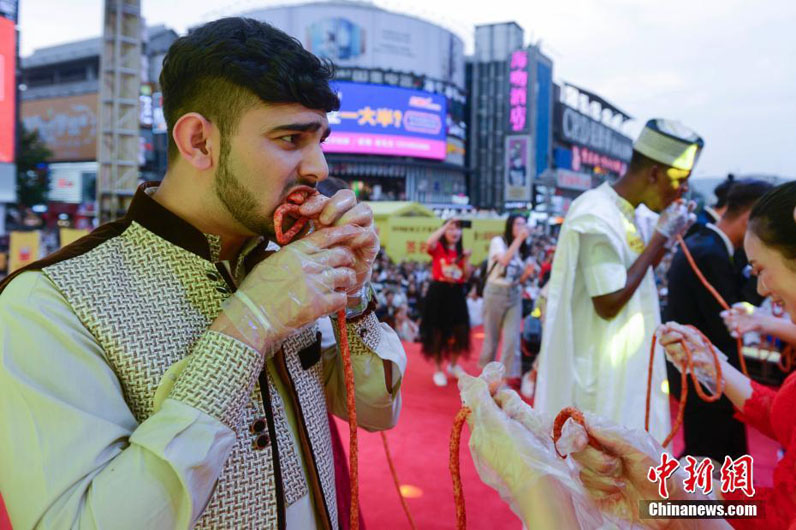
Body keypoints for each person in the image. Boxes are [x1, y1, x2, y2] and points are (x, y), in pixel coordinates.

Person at [0, 18, 406, 530]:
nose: (319, 167)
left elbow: (374, 412)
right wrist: (248, 326)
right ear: (198, 142)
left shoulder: (288, 259)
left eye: (320, 139)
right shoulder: (48, 302)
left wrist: (355, 293)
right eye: (290, 138)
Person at [535, 118, 704, 443]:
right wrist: (660, 237)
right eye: (679, 180)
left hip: (628, 361)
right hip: (601, 371)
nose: (683, 190)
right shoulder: (596, 215)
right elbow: (609, 302)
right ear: (654, 174)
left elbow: (637, 277)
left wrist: (666, 239)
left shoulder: (629, 212)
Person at [665, 179, 772, 462]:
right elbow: (729, 320)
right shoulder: (708, 253)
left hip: (708, 372)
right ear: (749, 219)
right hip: (705, 379)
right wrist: (762, 272)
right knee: (712, 459)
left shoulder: (709, 244)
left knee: (718, 456)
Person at [477, 214, 535, 388]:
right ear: (510, 225)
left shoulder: (525, 248)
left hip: (514, 293)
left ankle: (503, 380)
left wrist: (527, 274)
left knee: (512, 339)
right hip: (495, 291)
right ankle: (486, 377)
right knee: (492, 339)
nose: (521, 228)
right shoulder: (498, 242)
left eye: (524, 224)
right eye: (518, 224)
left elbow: (519, 278)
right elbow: (504, 260)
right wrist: (519, 240)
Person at [420, 219, 471, 386]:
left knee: (461, 330)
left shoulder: (462, 252)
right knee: (437, 332)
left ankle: (454, 365)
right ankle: (438, 369)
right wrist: (445, 226)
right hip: (438, 293)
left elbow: (467, 275)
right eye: (451, 229)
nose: (454, 232)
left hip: (457, 293)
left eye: (457, 229)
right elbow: (429, 242)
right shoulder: (438, 248)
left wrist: (467, 259)